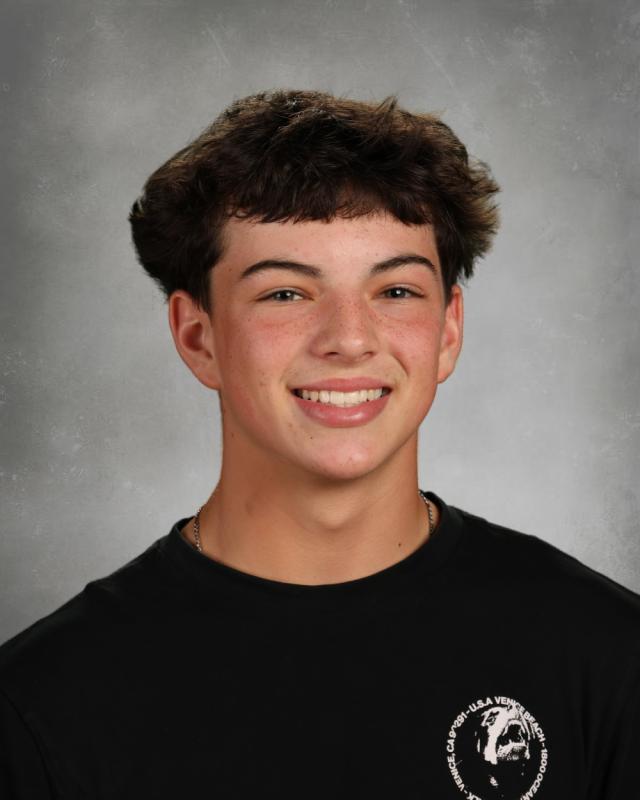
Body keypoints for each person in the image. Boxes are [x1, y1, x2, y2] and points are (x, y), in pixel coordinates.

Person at [0, 89, 638, 799]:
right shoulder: (41, 707)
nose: (350, 339)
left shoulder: (608, 660)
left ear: (448, 332)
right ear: (197, 336)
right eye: (285, 294)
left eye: (396, 291)